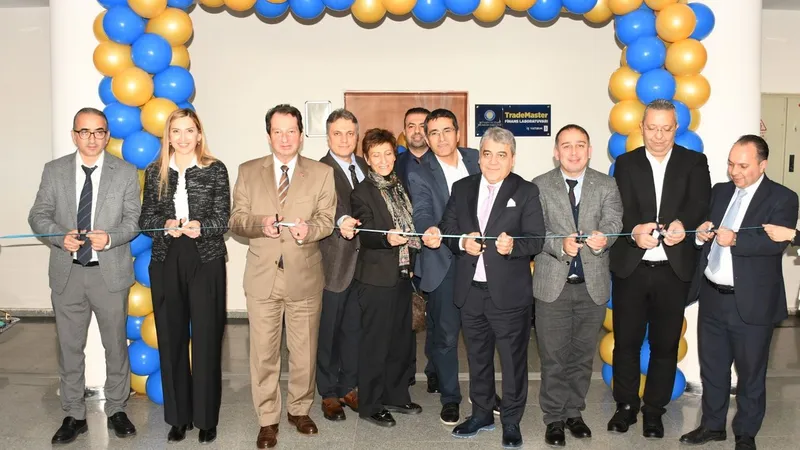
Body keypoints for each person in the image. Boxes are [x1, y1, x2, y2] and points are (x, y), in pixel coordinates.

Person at [424, 126, 545, 449]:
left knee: (513, 362)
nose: (493, 161)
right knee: (477, 358)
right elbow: (448, 228)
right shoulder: (463, 188)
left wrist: (513, 246)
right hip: (470, 291)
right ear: (479, 157)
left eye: (501, 155)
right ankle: (481, 414)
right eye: (487, 154)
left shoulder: (526, 191)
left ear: (512, 159)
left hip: (509, 294)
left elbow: (536, 238)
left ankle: (511, 421)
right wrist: (462, 242)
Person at [28, 107, 140, 445]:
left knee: (115, 345)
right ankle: (74, 414)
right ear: (74, 135)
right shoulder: (55, 170)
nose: (92, 138)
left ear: (107, 135)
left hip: (110, 273)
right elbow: (38, 215)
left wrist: (111, 238)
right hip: (68, 273)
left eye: (99, 131)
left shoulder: (125, 172)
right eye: (84, 131)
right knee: (69, 347)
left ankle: (117, 408)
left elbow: (133, 220)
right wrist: (57, 236)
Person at [680, 135, 798, 450]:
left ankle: (746, 433)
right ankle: (712, 426)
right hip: (712, 297)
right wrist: (701, 236)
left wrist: (736, 240)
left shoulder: (783, 197)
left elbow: (775, 244)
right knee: (713, 368)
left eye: (743, 166)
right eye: (731, 164)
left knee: (751, 374)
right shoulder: (720, 191)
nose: (735, 171)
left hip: (752, 302)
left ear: (763, 165)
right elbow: (704, 231)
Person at [228, 104, 336, 449]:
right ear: (268, 135)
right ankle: (267, 418)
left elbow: (326, 220)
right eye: (278, 131)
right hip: (263, 276)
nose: (285, 138)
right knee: (263, 352)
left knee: (304, 351)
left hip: (305, 275)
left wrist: (310, 231)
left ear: (301, 135)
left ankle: (299, 410)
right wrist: (259, 224)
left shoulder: (321, 173)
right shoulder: (248, 171)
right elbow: (236, 220)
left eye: (291, 131)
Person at [608, 99, 711, 438]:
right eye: (652, 128)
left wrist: (685, 223)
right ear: (641, 127)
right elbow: (618, 210)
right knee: (626, 342)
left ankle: (654, 411)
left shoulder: (694, 162)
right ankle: (625, 407)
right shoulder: (625, 163)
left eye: (666, 129)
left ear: (676, 128)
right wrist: (634, 231)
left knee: (665, 345)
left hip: (672, 270)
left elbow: (701, 203)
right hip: (632, 268)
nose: (658, 136)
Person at [139, 108, 231, 444]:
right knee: (171, 337)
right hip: (166, 258)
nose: (182, 137)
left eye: (189, 130)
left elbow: (224, 217)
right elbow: (145, 219)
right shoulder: (155, 171)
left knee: (206, 338)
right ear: (168, 137)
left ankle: (206, 418)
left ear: (199, 134)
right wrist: (163, 225)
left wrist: (201, 227)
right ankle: (178, 418)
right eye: (175, 131)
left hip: (205, 258)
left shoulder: (215, 169)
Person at [531, 124, 623, 446]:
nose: (573, 152)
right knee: (553, 357)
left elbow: (614, 221)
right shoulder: (539, 185)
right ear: (556, 152)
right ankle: (554, 418)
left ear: (589, 150)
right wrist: (559, 244)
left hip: (591, 286)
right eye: (566, 146)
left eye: (580, 145)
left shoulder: (607, 184)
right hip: (552, 285)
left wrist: (603, 238)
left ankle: (574, 413)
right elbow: (535, 230)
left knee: (582, 357)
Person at [407, 108, 480, 425]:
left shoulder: (478, 159)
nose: (441, 138)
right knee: (447, 336)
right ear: (426, 137)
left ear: (458, 133)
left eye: (447, 130)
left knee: (480, 334)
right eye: (433, 133)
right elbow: (422, 210)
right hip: (444, 262)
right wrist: (428, 230)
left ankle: (483, 392)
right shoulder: (420, 172)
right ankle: (450, 397)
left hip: (481, 261)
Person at [350, 128, 423, 427]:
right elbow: (365, 231)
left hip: (402, 275)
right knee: (375, 344)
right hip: (376, 279)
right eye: (376, 155)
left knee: (400, 341)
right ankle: (370, 404)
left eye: (387, 153)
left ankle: (395, 394)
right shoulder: (361, 192)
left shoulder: (400, 185)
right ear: (367, 159)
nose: (383, 160)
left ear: (395, 155)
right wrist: (386, 238)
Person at [316, 109, 366, 421]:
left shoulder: (366, 166)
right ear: (328, 137)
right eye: (338, 133)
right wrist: (341, 220)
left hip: (365, 265)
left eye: (350, 133)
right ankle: (328, 392)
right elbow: (323, 207)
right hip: (334, 264)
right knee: (329, 333)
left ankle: (349, 386)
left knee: (354, 330)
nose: (344, 139)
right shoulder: (319, 170)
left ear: (356, 136)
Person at [395, 107, 431, 191]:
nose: (417, 131)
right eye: (411, 126)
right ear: (404, 132)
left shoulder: (444, 162)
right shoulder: (393, 164)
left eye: (422, 126)